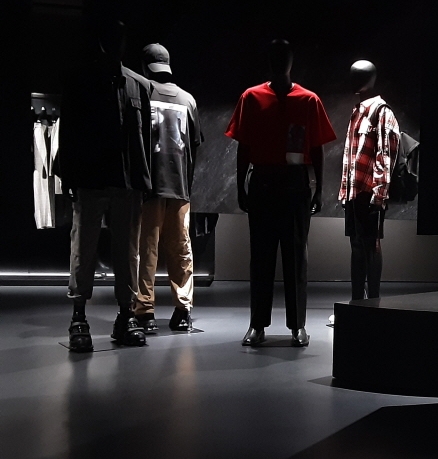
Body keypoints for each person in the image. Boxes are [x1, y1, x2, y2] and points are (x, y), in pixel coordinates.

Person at [225, 40, 336, 347]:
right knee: (260, 256)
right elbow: (244, 146)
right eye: (275, 57)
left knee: (296, 256)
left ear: (290, 61)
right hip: (262, 181)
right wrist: (240, 186)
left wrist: (319, 189)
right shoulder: (251, 97)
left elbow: (317, 147)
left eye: (282, 57)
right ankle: (257, 324)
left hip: (295, 183)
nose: (279, 63)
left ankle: (297, 325)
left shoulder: (308, 100)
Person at [57, 19, 152, 351]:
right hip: (90, 178)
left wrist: (144, 180)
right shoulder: (79, 81)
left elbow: (145, 138)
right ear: (101, 42)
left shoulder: (139, 86)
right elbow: (68, 131)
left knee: (128, 251)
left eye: (119, 38)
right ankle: (79, 315)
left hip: (127, 181)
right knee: (83, 247)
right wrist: (69, 175)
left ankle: (126, 314)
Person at [135, 44, 203, 333]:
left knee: (145, 251)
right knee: (181, 250)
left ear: (145, 66)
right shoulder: (188, 100)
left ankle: (144, 311)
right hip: (179, 186)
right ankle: (183, 310)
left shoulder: (141, 94)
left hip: (148, 186)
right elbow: (195, 144)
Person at [339, 60, 401, 301]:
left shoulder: (382, 112)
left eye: (359, 76)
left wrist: (379, 194)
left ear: (371, 79)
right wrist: (345, 191)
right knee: (356, 245)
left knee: (371, 244)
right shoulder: (357, 112)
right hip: (355, 192)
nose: (353, 81)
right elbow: (350, 156)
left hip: (370, 193)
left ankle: (374, 301)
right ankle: (356, 301)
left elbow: (386, 155)